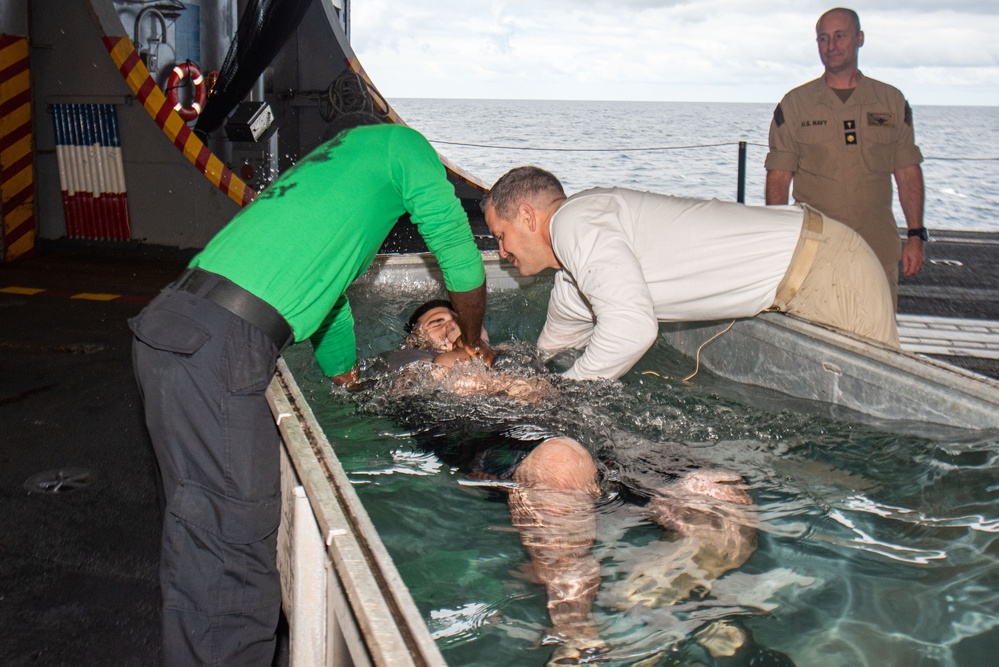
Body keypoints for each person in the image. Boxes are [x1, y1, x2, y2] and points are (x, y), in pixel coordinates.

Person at [128, 116, 495, 666]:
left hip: (174, 325)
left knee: (199, 530)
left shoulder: (338, 164)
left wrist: (343, 378)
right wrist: (472, 340)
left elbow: (331, 301)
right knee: (231, 546)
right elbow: (460, 256)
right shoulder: (407, 148)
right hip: (224, 343)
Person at [373, 301, 779, 665]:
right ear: (416, 337)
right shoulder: (403, 363)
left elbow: (550, 393)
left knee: (716, 490)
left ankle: (646, 605)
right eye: (438, 322)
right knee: (564, 459)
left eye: (462, 319)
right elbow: (411, 388)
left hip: (599, 445)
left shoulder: (515, 357)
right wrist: (471, 364)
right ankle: (577, 636)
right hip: (502, 445)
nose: (453, 327)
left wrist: (508, 374)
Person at [480, 166, 900, 382]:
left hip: (826, 265)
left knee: (885, 409)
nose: (501, 253)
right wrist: (510, 371)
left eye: (502, 236)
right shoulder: (575, 266)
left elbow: (631, 328)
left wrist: (563, 393)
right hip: (805, 268)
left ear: (528, 216)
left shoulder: (575, 224)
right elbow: (558, 339)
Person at [765, 7, 926, 307]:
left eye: (840, 36)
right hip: (815, 250)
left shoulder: (890, 101)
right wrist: (777, 240)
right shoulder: (795, 105)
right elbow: (779, 175)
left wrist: (915, 236)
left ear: (859, 39)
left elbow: (907, 171)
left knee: (878, 340)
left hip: (876, 247)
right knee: (815, 334)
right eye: (823, 38)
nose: (831, 45)